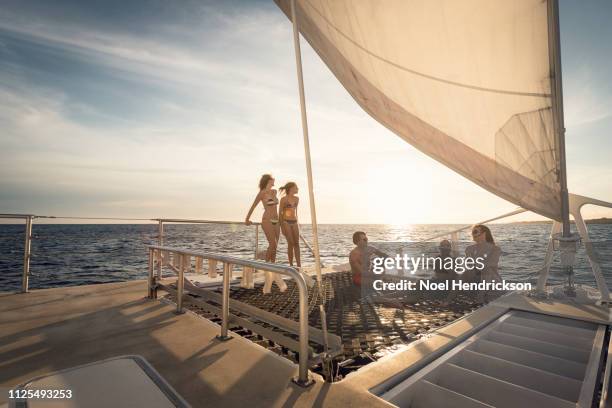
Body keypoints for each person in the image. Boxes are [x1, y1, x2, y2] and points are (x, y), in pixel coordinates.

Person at [245, 174, 287, 293]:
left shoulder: (274, 192)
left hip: (276, 221)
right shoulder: (262, 193)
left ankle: (269, 280)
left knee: (274, 249)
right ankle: (259, 257)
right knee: (272, 245)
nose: (274, 180)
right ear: (268, 180)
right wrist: (247, 219)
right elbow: (253, 206)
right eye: (272, 179)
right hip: (267, 220)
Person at [465, 224, 501, 303]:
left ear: (484, 234)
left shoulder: (495, 249)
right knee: (463, 274)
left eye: (475, 232)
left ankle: (480, 297)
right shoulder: (469, 249)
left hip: (491, 279)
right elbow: (469, 265)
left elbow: (490, 264)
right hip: (475, 276)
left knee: (486, 270)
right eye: (472, 232)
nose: (473, 234)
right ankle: (447, 301)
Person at [278, 182, 301, 268]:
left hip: (294, 222)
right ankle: (291, 265)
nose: (298, 189)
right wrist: (281, 227)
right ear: (291, 188)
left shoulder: (297, 199)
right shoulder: (283, 199)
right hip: (286, 222)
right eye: (296, 187)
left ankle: (299, 265)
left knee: (297, 243)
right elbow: (280, 213)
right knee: (290, 243)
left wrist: (298, 222)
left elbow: (295, 211)